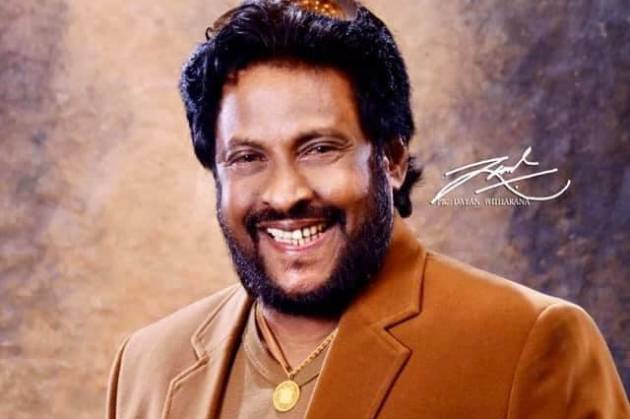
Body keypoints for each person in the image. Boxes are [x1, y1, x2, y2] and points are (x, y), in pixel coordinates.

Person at [106, 1, 629, 418]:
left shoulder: (529, 342)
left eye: (319, 149)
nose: (284, 195)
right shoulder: (147, 364)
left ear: (392, 159)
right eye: (247, 157)